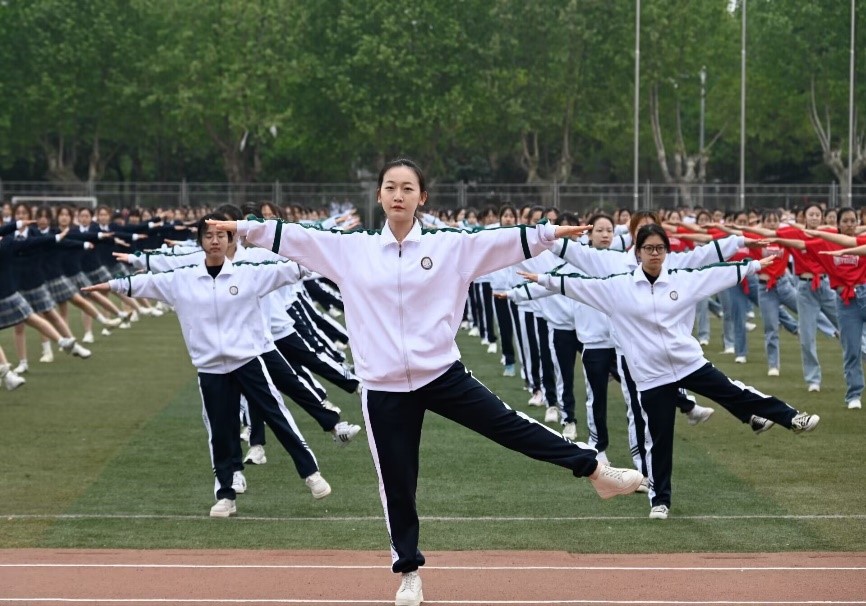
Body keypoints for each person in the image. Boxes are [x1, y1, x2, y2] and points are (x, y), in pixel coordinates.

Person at [207, 158, 643, 606]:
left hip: (440, 373)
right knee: (397, 482)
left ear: (422, 197)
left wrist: (547, 234)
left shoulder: (449, 246)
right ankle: (409, 571)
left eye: (407, 188)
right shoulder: (350, 249)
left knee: (510, 426)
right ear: (379, 195)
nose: (398, 195)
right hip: (383, 387)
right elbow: (296, 237)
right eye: (390, 187)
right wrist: (245, 228)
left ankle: (595, 470)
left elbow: (500, 241)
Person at [521, 224, 821, 520]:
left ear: (666, 251)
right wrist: (544, 280)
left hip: (687, 361)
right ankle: (660, 501)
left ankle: (791, 418)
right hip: (651, 375)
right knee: (659, 439)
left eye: (660, 248)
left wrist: (752, 266)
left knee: (735, 393)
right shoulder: (618, 287)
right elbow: (580, 286)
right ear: (637, 252)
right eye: (649, 248)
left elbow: (714, 275)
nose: (655, 254)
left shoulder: (681, 279)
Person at [83, 214, 332, 518]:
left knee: (276, 416)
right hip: (210, 369)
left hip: (248, 361)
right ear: (200, 241)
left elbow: (293, 270)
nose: (215, 241)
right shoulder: (182, 279)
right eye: (208, 236)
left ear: (231, 240)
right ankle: (226, 495)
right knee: (220, 432)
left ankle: (311, 474)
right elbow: (142, 283)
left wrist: (324, 257)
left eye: (221, 236)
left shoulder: (249, 274)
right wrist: (109, 286)